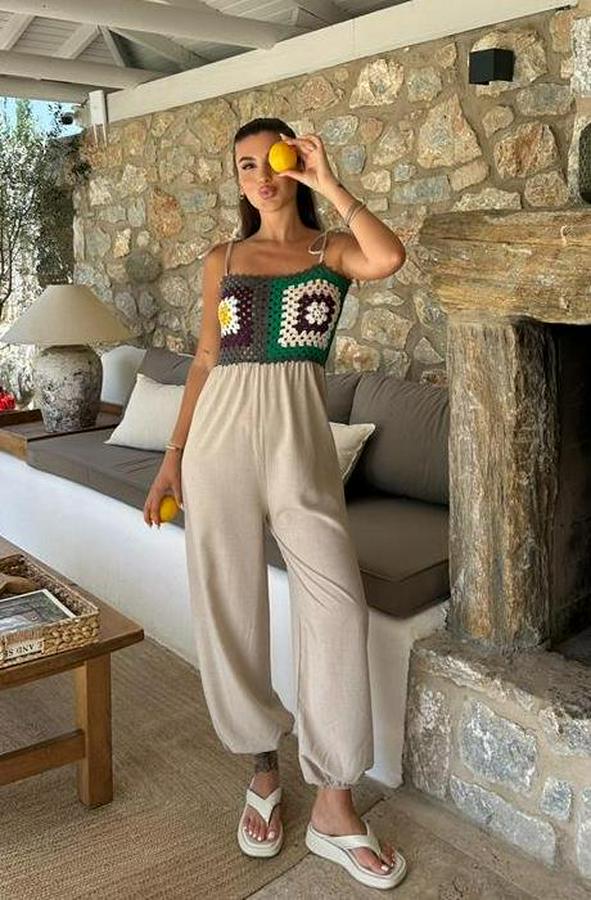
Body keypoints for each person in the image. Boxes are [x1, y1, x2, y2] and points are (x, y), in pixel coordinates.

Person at [143, 117, 407, 890]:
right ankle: (261, 767)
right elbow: (203, 357)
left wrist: (329, 182)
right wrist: (171, 459)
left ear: (296, 162)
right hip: (218, 442)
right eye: (246, 166)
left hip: (299, 447)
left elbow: (388, 257)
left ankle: (333, 803)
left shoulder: (330, 252)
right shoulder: (222, 259)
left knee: (337, 607)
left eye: (273, 160)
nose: (260, 176)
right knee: (227, 603)